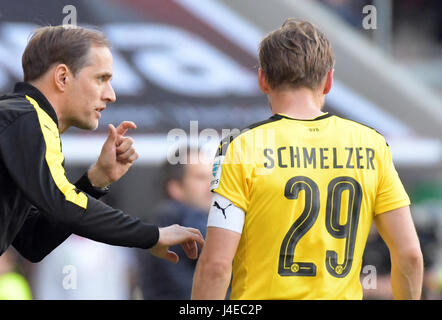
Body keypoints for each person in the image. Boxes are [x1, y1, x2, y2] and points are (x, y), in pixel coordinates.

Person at [191, 19, 423, 300]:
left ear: (263, 79)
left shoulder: (240, 147)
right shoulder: (372, 145)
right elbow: (410, 255)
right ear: (329, 81)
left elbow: (216, 266)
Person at [0, 25, 203, 267]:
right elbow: (64, 205)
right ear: (62, 77)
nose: (111, 95)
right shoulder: (27, 118)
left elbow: (34, 239)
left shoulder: (21, 121)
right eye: (101, 79)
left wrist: (97, 179)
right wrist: (153, 235)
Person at [137, 146, 212, 299]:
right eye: (201, 178)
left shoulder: (160, 220)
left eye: (214, 177)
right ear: (176, 187)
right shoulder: (175, 217)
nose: (213, 186)